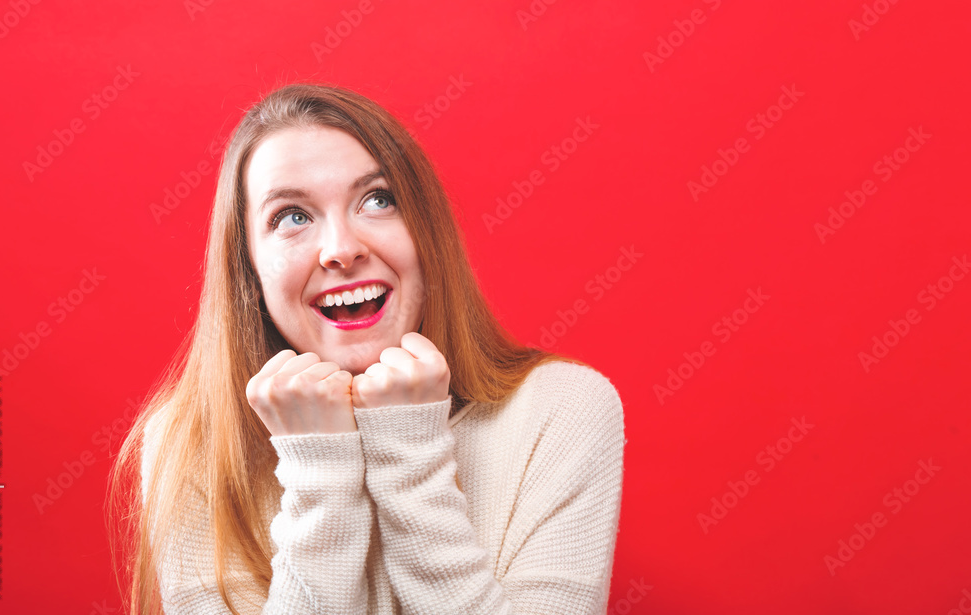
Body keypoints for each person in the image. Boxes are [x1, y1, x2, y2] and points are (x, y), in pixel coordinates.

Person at [108, 83, 625, 614]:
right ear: (250, 268)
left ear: (428, 232)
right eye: (291, 216)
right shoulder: (188, 445)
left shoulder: (563, 410)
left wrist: (409, 456)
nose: (342, 250)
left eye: (377, 200)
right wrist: (319, 470)